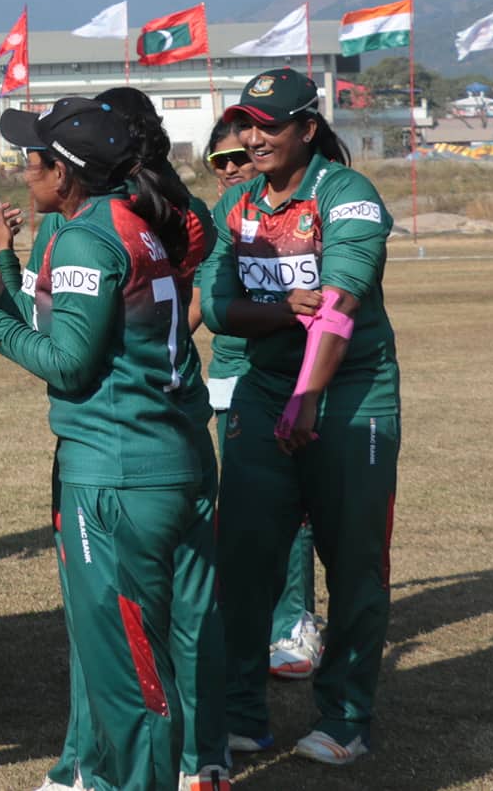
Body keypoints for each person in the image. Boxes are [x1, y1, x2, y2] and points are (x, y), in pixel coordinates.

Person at [0, 96, 221, 791]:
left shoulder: (85, 237)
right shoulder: (136, 220)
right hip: (166, 459)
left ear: (66, 173)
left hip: (116, 476)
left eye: (33, 160)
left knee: (129, 678)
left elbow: (70, 364)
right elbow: (80, 329)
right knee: (154, 656)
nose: (24, 172)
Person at [201, 69, 397, 769]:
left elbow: (339, 305)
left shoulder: (347, 195)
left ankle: (344, 716)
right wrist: (285, 311)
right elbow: (216, 306)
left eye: (269, 125)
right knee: (243, 557)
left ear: (308, 128)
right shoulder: (237, 205)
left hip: (350, 394)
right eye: (247, 124)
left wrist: (308, 396)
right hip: (263, 390)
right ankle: (242, 715)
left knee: (354, 562)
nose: (254, 138)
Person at [199, 121, 322, 685]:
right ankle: (250, 621)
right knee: (245, 510)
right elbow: (203, 298)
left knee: (292, 505)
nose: (230, 167)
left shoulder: (302, 212)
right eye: (217, 160)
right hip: (231, 375)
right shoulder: (222, 219)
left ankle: (294, 621)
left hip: (288, 377)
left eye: (237, 157)